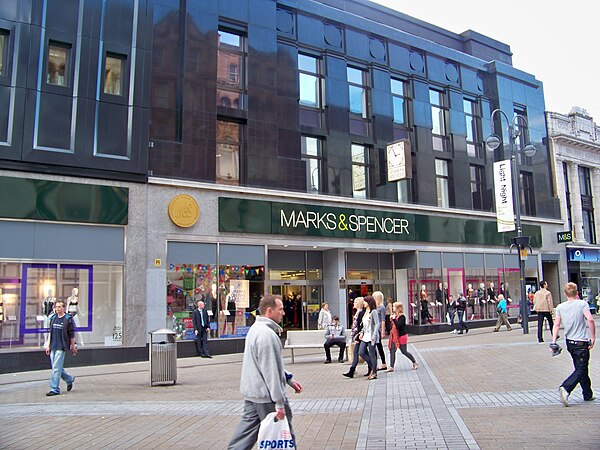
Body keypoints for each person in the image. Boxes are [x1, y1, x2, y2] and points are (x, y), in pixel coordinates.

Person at [228, 294, 303, 450]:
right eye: (280, 309)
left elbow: (269, 365)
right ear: (270, 311)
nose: (283, 313)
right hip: (267, 396)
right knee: (285, 436)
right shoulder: (267, 335)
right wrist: (279, 402)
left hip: (253, 392)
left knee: (244, 436)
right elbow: (271, 371)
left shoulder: (255, 330)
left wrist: (288, 379)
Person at [552, 282, 595, 407]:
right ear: (577, 293)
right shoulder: (582, 304)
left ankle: (587, 394)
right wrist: (592, 337)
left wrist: (554, 341)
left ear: (565, 294)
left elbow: (557, 324)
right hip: (581, 341)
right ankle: (566, 387)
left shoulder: (560, 307)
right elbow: (590, 319)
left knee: (580, 367)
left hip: (569, 342)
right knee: (581, 368)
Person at [44, 300, 77, 396]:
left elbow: (71, 334)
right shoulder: (53, 318)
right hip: (53, 345)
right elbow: (51, 333)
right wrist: (48, 345)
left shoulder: (67, 319)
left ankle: (54, 388)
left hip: (61, 346)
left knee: (56, 368)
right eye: (56, 307)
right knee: (56, 367)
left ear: (63, 308)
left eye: (60, 307)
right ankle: (69, 379)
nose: (58, 309)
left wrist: (72, 346)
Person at [387, 302, 417, 371]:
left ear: (398, 308)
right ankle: (391, 366)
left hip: (402, 336)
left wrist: (394, 319)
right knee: (392, 350)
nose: (392, 308)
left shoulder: (402, 317)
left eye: (394, 307)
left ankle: (414, 362)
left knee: (404, 351)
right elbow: (391, 327)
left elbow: (399, 325)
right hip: (395, 336)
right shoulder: (395, 316)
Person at [359, 295, 380, 380]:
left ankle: (374, 372)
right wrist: (361, 332)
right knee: (361, 352)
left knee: (372, 354)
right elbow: (365, 325)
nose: (364, 303)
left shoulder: (373, 311)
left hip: (372, 335)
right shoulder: (365, 311)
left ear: (369, 302)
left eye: (365, 301)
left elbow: (377, 324)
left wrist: (374, 335)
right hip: (365, 335)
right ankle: (372, 366)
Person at [343, 297, 365, 378]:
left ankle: (371, 366)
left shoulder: (361, 313)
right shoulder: (357, 313)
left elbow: (360, 326)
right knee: (357, 353)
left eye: (355, 302)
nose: (353, 303)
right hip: (357, 336)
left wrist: (357, 335)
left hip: (359, 336)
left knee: (360, 353)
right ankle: (352, 370)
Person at [373, 291, 388, 370]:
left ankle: (383, 363)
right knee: (377, 346)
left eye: (374, 297)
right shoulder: (375, 307)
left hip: (378, 329)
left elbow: (383, 320)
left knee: (378, 346)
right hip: (375, 328)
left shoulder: (381, 307)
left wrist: (382, 331)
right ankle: (382, 363)